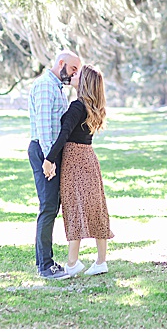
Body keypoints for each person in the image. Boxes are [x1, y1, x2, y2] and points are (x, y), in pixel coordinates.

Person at [43, 65, 114, 277]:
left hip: (75, 161)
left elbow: (64, 135)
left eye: (78, 74)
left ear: (84, 82)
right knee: (95, 208)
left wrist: (49, 159)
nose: (73, 75)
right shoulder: (91, 107)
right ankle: (100, 261)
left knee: (75, 209)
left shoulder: (77, 106)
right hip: (89, 159)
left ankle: (72, 262)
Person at [28, 50, 82, 280]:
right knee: (48, 207)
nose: (74, 74)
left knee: (52, 206)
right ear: (61, 63)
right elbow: (43, 126)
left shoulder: (57, 88)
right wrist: (49, 159)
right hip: (44, 151)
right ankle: (45, 266)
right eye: (72, 69)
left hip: (51, 152)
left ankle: (46, 260)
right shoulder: (45, 86)